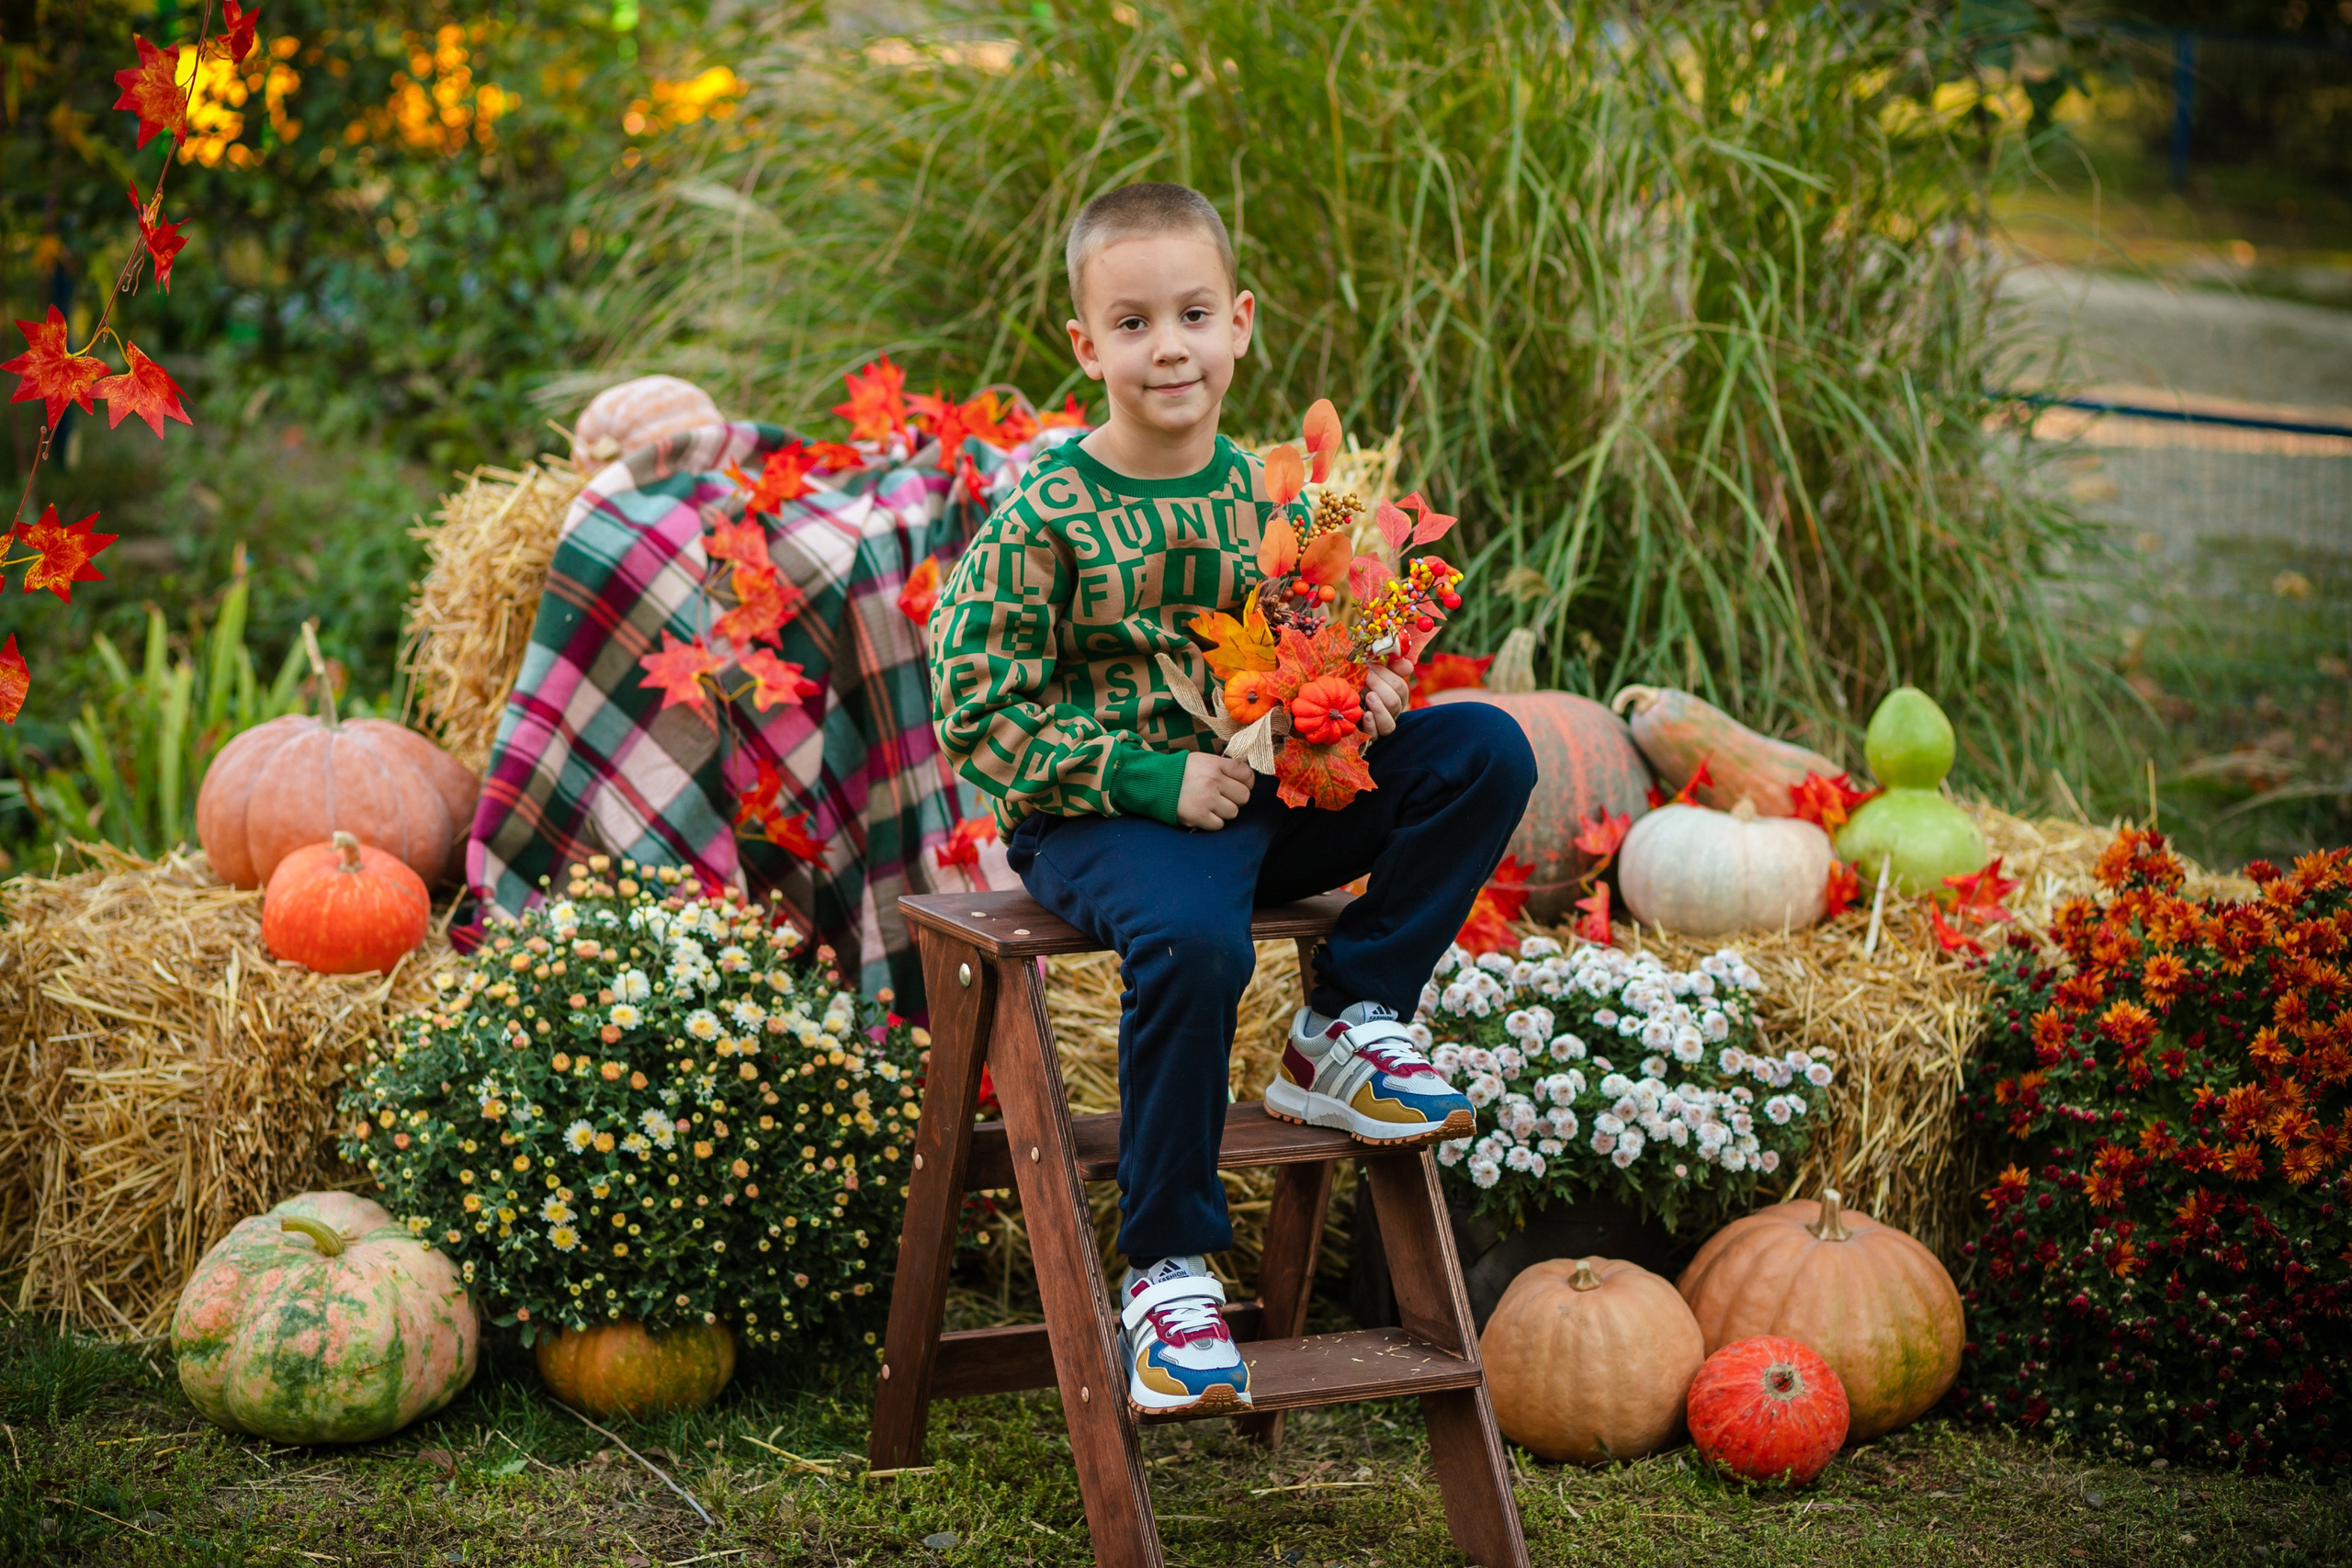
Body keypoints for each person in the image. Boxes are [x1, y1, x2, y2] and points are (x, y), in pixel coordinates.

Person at [928, 182, 1535, 1416]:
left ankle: (1344, 1021)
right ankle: (1167, 1271)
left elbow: (1314, 634)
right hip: (1102, 820)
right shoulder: (1045, 514)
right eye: (1134, 323)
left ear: (1240, 324)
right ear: (1086, 347)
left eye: (1193, 316)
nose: (1170, 348)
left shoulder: (1274, 497)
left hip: (1263, 792)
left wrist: (1358, 689)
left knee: (1484, 751)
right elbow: (975, 704)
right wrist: (1152, 776)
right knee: (1197, 941)